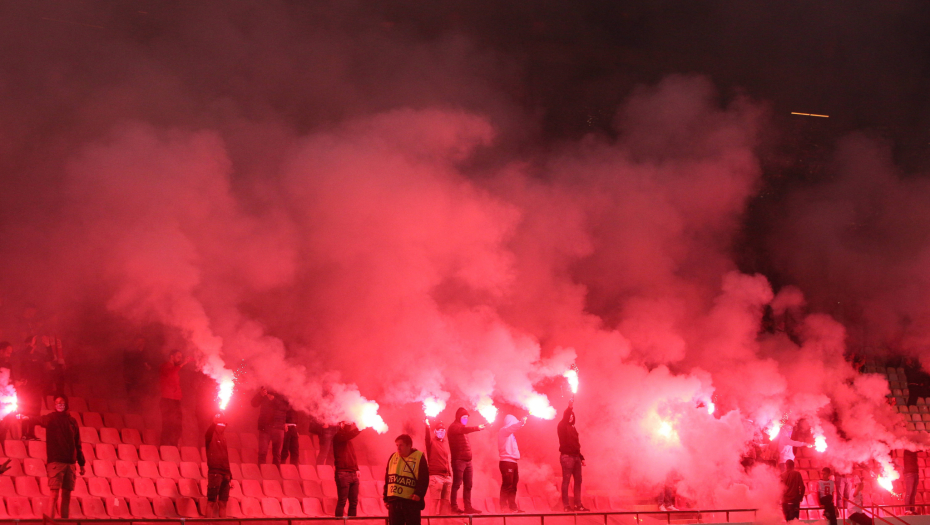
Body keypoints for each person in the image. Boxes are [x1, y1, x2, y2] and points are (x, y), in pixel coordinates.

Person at [34, 396, 85, 519]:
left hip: (70, 463)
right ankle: (50, 522)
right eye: (57, 403)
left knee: (66, 495)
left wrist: (81, 463)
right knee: (54, 495)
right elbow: (38, 420)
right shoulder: (51, 418)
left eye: (61, 403)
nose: (59, 405)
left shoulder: (72, 421)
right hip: (56, 462)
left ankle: (64, 522)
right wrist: (24, 417)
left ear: (66, 404)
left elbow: (77, 443)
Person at [384, 434, 429, 525]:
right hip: (394, 501)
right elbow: (387, 479)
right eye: (397, 445)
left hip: (411, 502)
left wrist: (419, 494)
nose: (398, 448)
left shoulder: (419, 457)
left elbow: (424, 478)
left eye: (401, 445)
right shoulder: (393, 457)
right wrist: (385, 498)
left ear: (409, 445)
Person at [448, 407, 486, 514]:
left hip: (468, 461)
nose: (465, 419)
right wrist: (477, 428)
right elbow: (463, 430)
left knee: (468, 485)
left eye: (467, 418)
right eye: (464, 417)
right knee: (457, 484)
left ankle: (468, 507)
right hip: (458, 461)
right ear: (458, 417)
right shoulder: (454, 427)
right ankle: (454, 507)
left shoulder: (462, 428)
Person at [558, 401, 589, 512]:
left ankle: (578, 505)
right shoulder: (561, 426)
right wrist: (569, 408)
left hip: (576, 457)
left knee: (578, 481)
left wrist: (581, 457)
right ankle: (566, 506)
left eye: (572, 416)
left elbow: (576, 445)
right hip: (567, 457)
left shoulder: (573, 429)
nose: (570, 417)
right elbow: (566, 416)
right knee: (566, 481)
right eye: (569, 415)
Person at [250, 386, 289, 465]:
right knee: (262, 452)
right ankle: (261, 472)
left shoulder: (284, 395)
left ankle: (276, 473)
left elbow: (286, 408)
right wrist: (260, 395)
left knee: (277, 454)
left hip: (278, 427)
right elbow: (253, 403)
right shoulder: (265, 393)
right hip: (265, 428)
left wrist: (274, 400)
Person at [160, 350, 191, 446]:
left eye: (181, 357)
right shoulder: (165, 366)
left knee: (177, 426)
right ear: (171, 356)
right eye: (178, 356)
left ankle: (173, 447)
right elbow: (170, 373)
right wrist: (184, 363)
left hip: (176, 400)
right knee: (168, 425)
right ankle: (165, 447)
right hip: (167, 400)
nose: (180, 359)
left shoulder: (175, 368)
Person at [498, 414, 527, 513]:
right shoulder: (503, 431)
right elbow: (511, 428)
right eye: (514, 422)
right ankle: (503, 507)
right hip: (506, 462)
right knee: (507, 485)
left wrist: (520, 423)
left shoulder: (511, 435)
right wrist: (521, 423)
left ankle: (512, 507)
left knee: (513, 485)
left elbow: (513, 428)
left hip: (513, 462)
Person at [205, 414, 231, 518]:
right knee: (211, 501)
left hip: (225, 473)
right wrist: (214, 422)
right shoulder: (210, 436)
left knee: (223, 503)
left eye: (223, 424)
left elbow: (226, 457)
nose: (222, 426)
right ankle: (208, 523)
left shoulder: (223, 438)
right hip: (215, 472)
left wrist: (230, 475)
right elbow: (209, 432)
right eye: (220, 424)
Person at [333, 421, 362, 517]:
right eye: (347, 424)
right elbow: (349, 435)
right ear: (341, 425)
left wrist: (356, 468)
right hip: (343, 473)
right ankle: (338, 523)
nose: (349, 426)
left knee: (354, 503)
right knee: (342, 501)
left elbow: (353, 455)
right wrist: (360, 427)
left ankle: (352, 523)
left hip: (353, 473)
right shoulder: (338, 437)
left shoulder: (348, 441)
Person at [424, 418, 452, 515]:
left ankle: (442, 522)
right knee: (434, 502)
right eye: (439, 430)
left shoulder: (445, 444)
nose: (441, 432)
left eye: (443, 430)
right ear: (435, 431)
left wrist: (450, 474)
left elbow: (446, 460)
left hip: (446, 477)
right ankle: (432, 522)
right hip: (436, 477)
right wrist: (427, 426)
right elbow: (427, 438)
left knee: (445, 503)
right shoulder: (431, 442)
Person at [903, 449, 919, 514]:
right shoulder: (907, 450)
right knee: (909, 493)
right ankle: (907, 510)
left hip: (915, 472)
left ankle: (912, 510)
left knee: (913, 494)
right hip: (909, 474)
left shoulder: (914, 449)